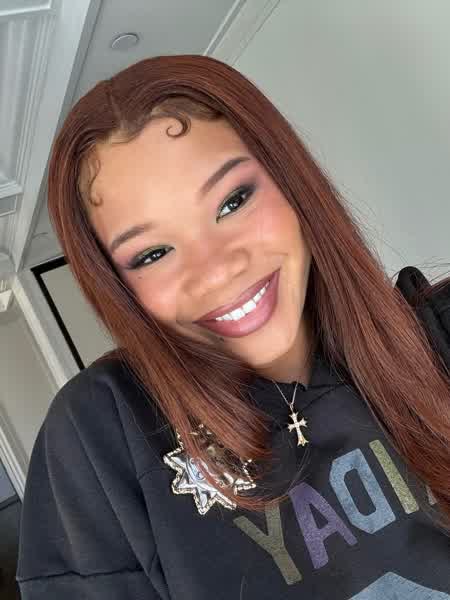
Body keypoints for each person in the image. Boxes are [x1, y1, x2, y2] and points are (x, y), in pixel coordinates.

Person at [16, 54, 450, 599]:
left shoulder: (436, 334)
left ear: (291, 182)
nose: (217, 270)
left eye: (233, 201)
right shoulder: (102, 434)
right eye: (152, 253)